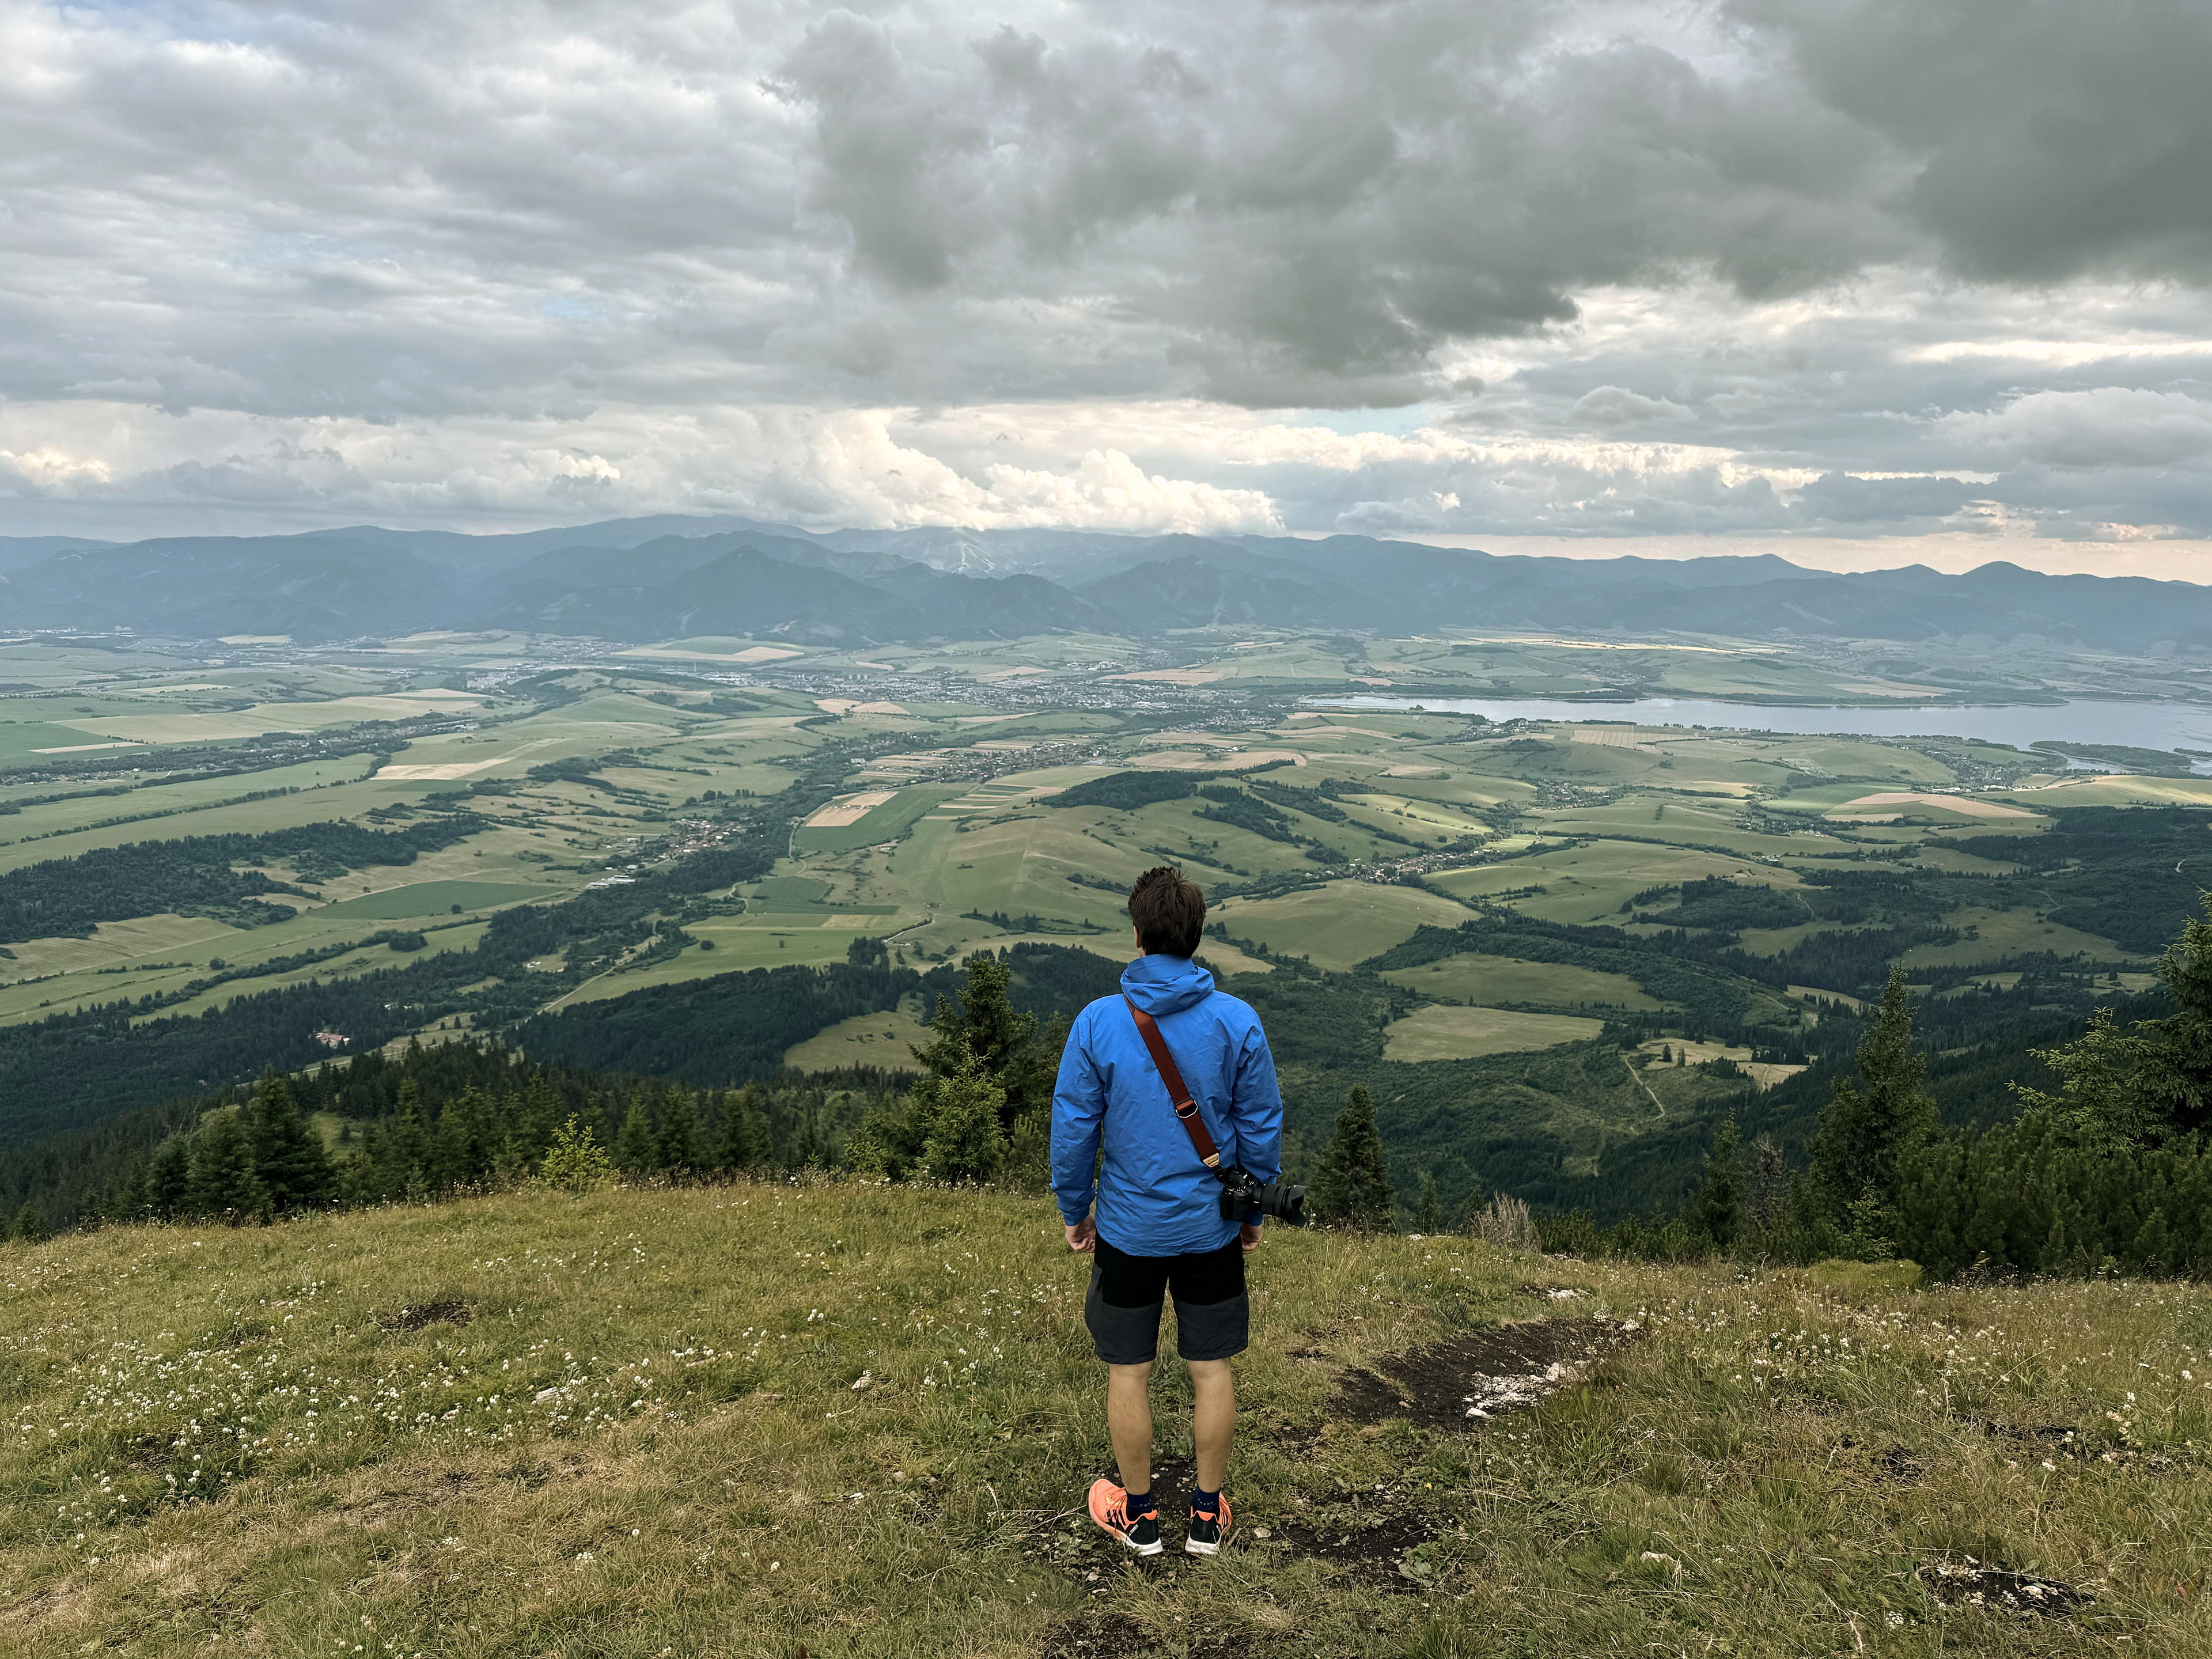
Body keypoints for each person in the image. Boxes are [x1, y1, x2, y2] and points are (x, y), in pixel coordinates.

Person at [1051, 865, 1284, 1558]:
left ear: (1138, 934)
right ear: (1196, 934)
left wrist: (1075, 1209)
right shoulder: (1237, 1021)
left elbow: (1074, 1130)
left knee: (1130, 1372)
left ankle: (1141, 1518)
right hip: (1210, 1226)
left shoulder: (1097, 1023)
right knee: (1211, 1368)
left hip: (1127, 1230)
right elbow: (1261, 1126)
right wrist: (1253, 1214)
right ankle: (1207, 1519)